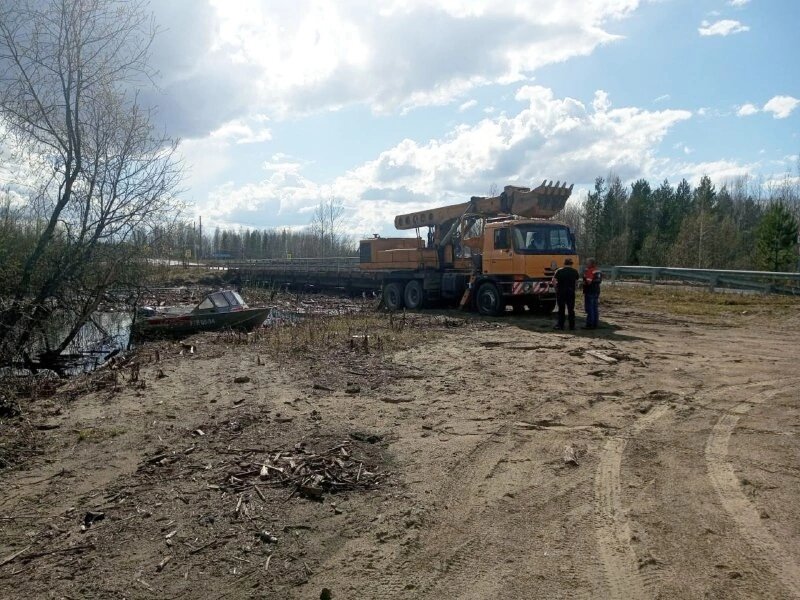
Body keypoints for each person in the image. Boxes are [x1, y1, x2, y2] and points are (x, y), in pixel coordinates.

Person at [552, 258, 579, 330]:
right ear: (571, 264)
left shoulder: (559, 271)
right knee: (571, 309)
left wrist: (556, 288)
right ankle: (572, 326)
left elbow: (553, 281)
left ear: (564, 263)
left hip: (561, 292)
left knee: (561, 309)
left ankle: (560, 325)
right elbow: (576, 282)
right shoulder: (575, 271)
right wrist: (574, 289)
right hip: (570, 292)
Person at [582, 258, 602, 329]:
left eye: (587, 263)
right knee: (595, 308)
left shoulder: (590, 271)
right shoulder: (598, 270)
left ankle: (590, 324)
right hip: (597, 290)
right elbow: (599, 280)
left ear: (591, 264)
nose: (586, 264)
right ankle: (595, 323)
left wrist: (583, 281)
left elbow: (588, 282)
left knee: (589, 308)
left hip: (590, 291)